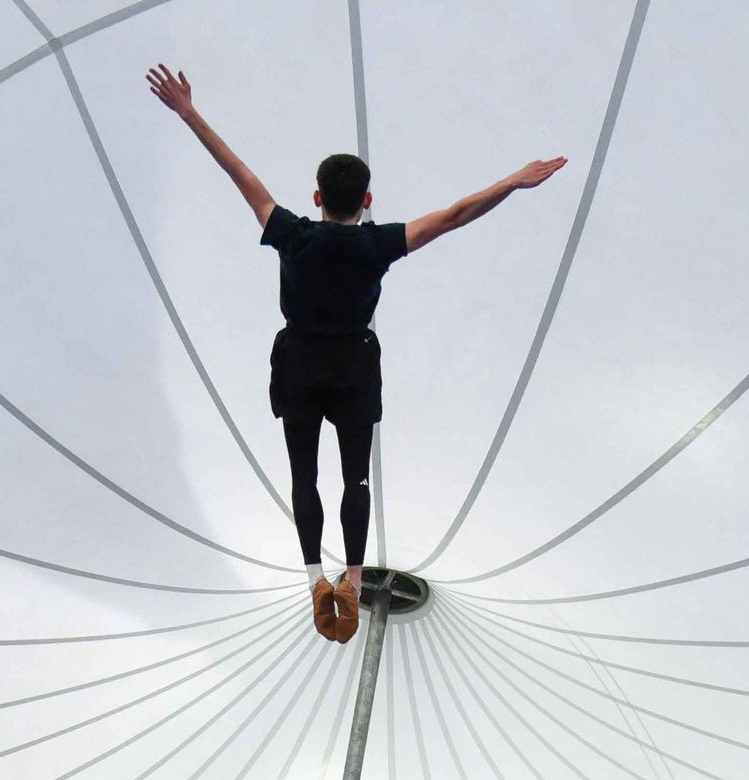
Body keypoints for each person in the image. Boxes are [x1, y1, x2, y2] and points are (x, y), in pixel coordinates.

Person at [147, 64, 567, 642]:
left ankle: (316, 578)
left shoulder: (292, 233)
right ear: (367, 200)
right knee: (353, 480)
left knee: (303, 474)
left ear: (317, 197)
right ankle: (349, 576)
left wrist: (190, 113)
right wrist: (512, 182)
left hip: (298, 364)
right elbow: (455, 216)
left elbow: (237, 172)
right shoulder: (376, 243)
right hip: (352, 368)